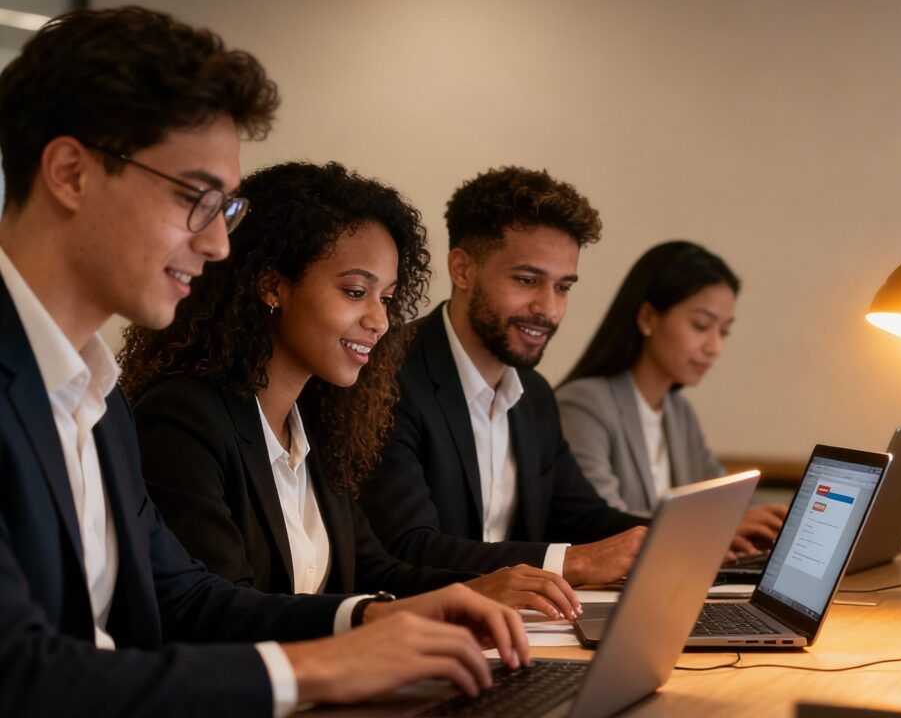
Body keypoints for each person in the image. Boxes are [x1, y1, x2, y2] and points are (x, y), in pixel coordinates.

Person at [0, 7, 526, 718]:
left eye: (227, 210)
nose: (216, 245)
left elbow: (186, 600)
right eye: (195, 198)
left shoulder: (95, 398)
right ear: (71, 173)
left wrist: (370, 621)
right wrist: (311, 673)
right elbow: (19, 690)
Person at [119, 161, 579, 621]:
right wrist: (366, 619)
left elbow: (374, 569)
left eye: (387, 298)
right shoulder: (184, 418)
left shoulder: (314, 423)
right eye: (356, 292)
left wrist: (483, 591)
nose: (379, 320)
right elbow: (215, 613)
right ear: (272, 285)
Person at [358, 167, 648, 586]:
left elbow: (584, 518)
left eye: (563, 287)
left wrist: (679, 538)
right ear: (462, 269)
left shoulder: (534, 396)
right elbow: (406, 545)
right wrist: (572, 563)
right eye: (528, 280)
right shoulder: (385, 375)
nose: (549, 309)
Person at [556, 241, 786, 557]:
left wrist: (767, 522)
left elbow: (722, 500)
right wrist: (714, 529)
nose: (715, 346)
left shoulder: (679, 413)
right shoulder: (583, 404)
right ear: (648, 318)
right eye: (701, 325)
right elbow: (599, 528)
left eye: (724, 332)